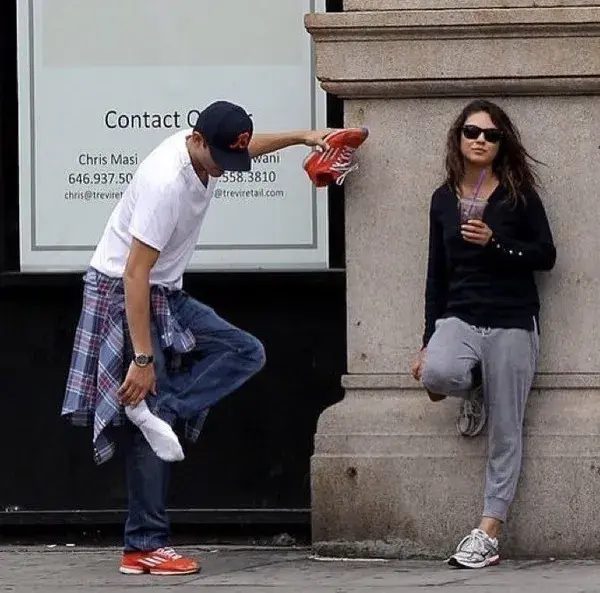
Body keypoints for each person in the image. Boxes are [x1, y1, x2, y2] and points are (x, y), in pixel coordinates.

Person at [62, 100, 336, 576]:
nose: (225, 172)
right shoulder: (165, 183)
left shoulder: (214, 149)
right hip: (125, 294)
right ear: (195, 139)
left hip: (166, 292)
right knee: (150, 413)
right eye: (218, 162)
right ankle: (143, 544)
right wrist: (143, 358)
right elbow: (134, 273)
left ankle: (162, 410)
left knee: (245, 351)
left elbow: (252, 148)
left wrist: (303, 136)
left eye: (233, 161)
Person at [411, 99, 556, 569]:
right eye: (472, 132)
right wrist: (428, 338)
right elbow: (436, 274)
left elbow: (546, 256)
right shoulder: (442, 198)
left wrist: (496, 244)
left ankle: (489, 531)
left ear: (501, 143)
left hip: (513, 319)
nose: (480, 140)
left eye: (491, 135)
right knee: (435, 374)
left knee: (506, 430)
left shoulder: (519, 196)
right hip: (462, 317)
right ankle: (473, 383)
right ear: (459, 138)